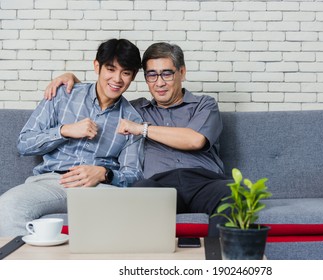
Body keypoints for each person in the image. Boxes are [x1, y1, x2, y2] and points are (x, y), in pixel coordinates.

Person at [44, 42, 232, 237]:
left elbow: (195, 140)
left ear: (181, 72)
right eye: (152, 75)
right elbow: (101, 94)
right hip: (158, 184)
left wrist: (141, 129)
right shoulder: (134, 110)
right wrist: (71, 79)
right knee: (139, 193)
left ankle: (219, 262)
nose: (159, 83)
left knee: (231, 194)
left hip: (205, 182)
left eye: (166, 74)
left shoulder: (204, 104)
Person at [0, 39, 144, 237]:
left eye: (125, 72)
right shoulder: (63, 94)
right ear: (97, 66)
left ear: (133, 76)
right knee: (8, 207)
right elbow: (24, 143)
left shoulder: (133, 120)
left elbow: (133, 174)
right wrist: (64, 131)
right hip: (53, 182)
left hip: (100, 188)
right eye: (111, 69)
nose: (117, 79)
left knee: (138, 215)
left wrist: (105, 173)